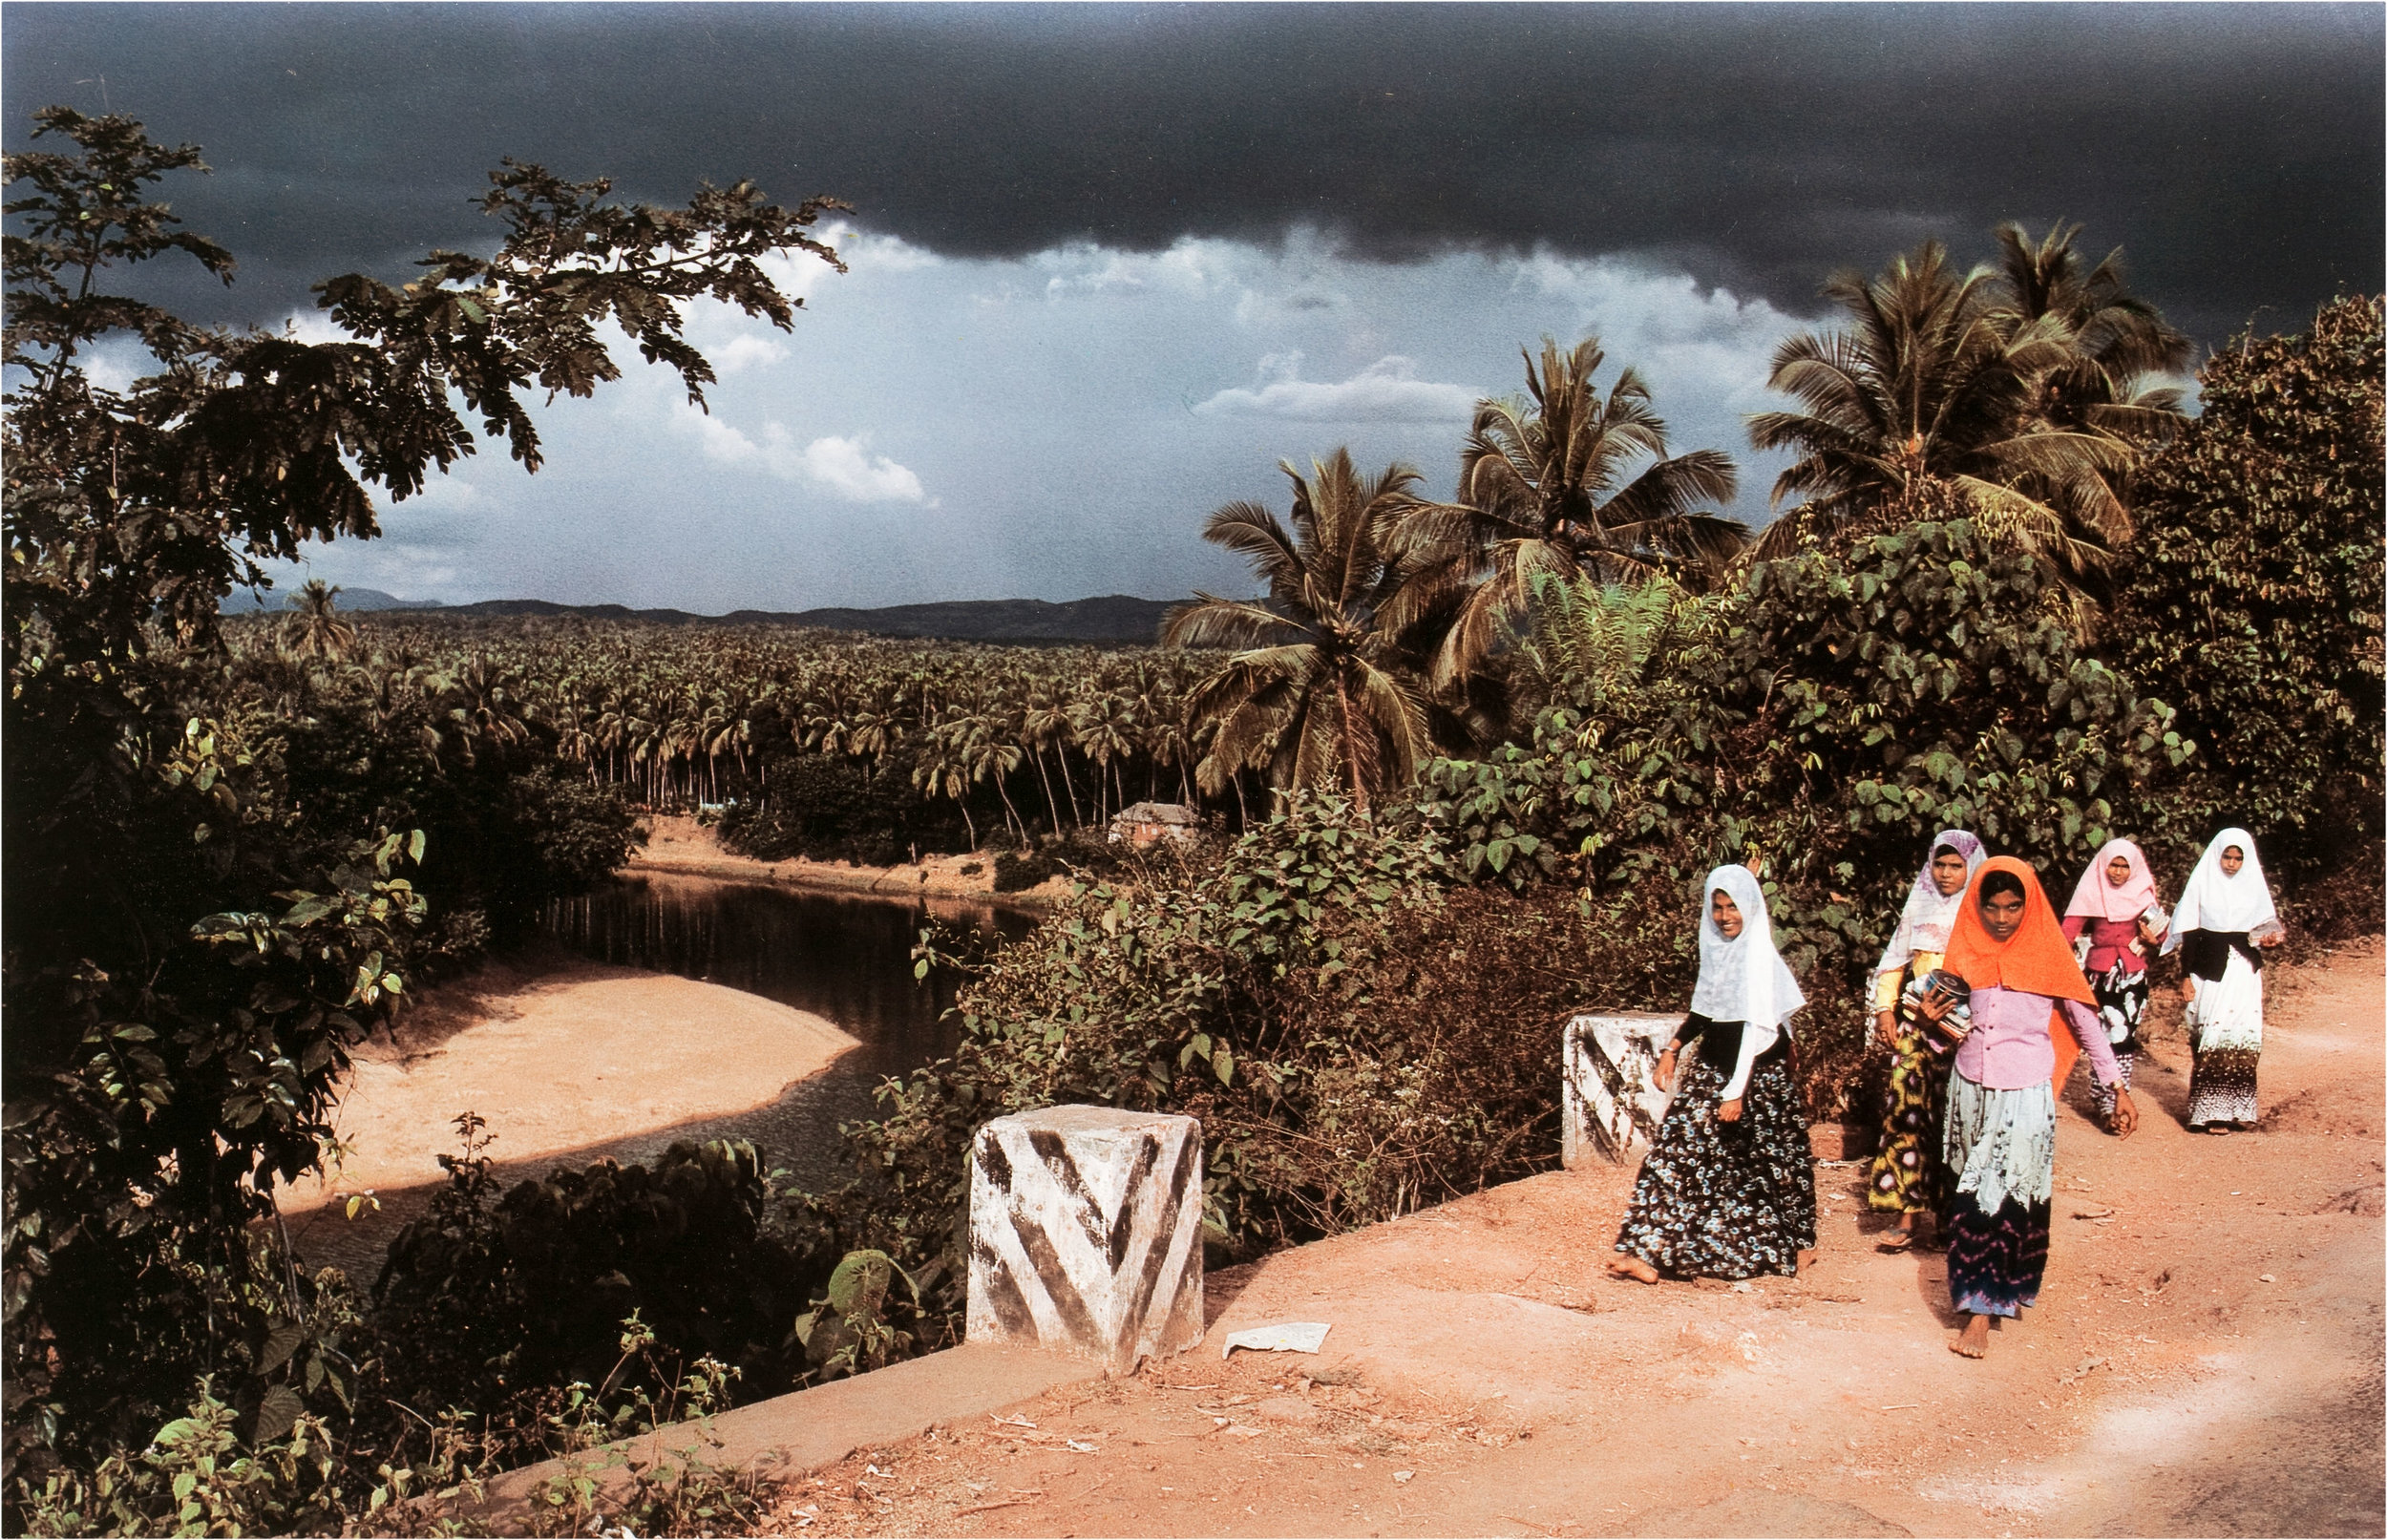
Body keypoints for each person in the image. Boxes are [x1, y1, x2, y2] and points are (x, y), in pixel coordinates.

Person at [1932, 857, 2137, 1358]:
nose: (2002, 918)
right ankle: (2000, 1286)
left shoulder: (2049, 956)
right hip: (1969, 1091)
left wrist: (2117, 1087)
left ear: (2030, 906)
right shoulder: (1962, 955)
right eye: (1992, 907)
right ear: (1976, 907)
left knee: (1996, 1197)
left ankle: (1980, 1314)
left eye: (2013, 906)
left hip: (2024, 1092)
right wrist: (1929, 1021)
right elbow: (1943, 1041)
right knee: (1968, 1197)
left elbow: (2086, 1025)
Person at [1610, 865, 1818, 1284]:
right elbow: (1707, 1011)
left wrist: (1736, 1092)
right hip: (1714, 1069)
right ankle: (1645, 1252)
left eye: (1733, 907)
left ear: (1751, 907)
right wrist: (1672, 1048)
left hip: (1756, 1076)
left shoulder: (1758, 955)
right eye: (1718, 908)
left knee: (1771, 1164)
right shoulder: (1720, 951)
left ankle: (1799, 1243)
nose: (1725, 917)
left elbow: (1757, 1026)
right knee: (1674, 1154)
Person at [1865, 830, 1987, 1250]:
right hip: (1917, 1030)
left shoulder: (1983, 913)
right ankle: (1907, 1214)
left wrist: (1959, 1017)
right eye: (1941, 864)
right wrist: (1885, 1010)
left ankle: (1951, 1218)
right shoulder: (1919, 905)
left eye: (1956, 865)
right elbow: (1894, 962)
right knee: (1907, 1117)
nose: (1947, 873)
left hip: (1963, 1036)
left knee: (1955, 1122)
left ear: (1972, 866)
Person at [2166, 829, 2283, 1131]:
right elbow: (2190, 933)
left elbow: (2263, 931)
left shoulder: (2253, 888)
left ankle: (2238, 1108)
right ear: (2217, 856)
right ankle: (2208, 1113)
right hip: (2209, 972)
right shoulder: (2203, 885)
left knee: (2242, 1035)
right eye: (2227, 857)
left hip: (2244, 972)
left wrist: (2270, 941)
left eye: (2238, 858)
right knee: (2210, 1036)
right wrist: (2184, 976)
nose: (2231, 864)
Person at [2060, 839, 2170, 1129]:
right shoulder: (2091, 890)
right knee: (2103, 1035)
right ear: (2103, 864)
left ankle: (2115, 1099)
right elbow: (2067, 932)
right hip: (2099, 974)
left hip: (2133, 975)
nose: (2118, 872)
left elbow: (2161, 931)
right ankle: (2106, 1099)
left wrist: (2153, 939)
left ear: (2133, 868)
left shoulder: (2142, 894)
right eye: (2113, 864)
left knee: (2122, 1037)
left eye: (2124, 866)